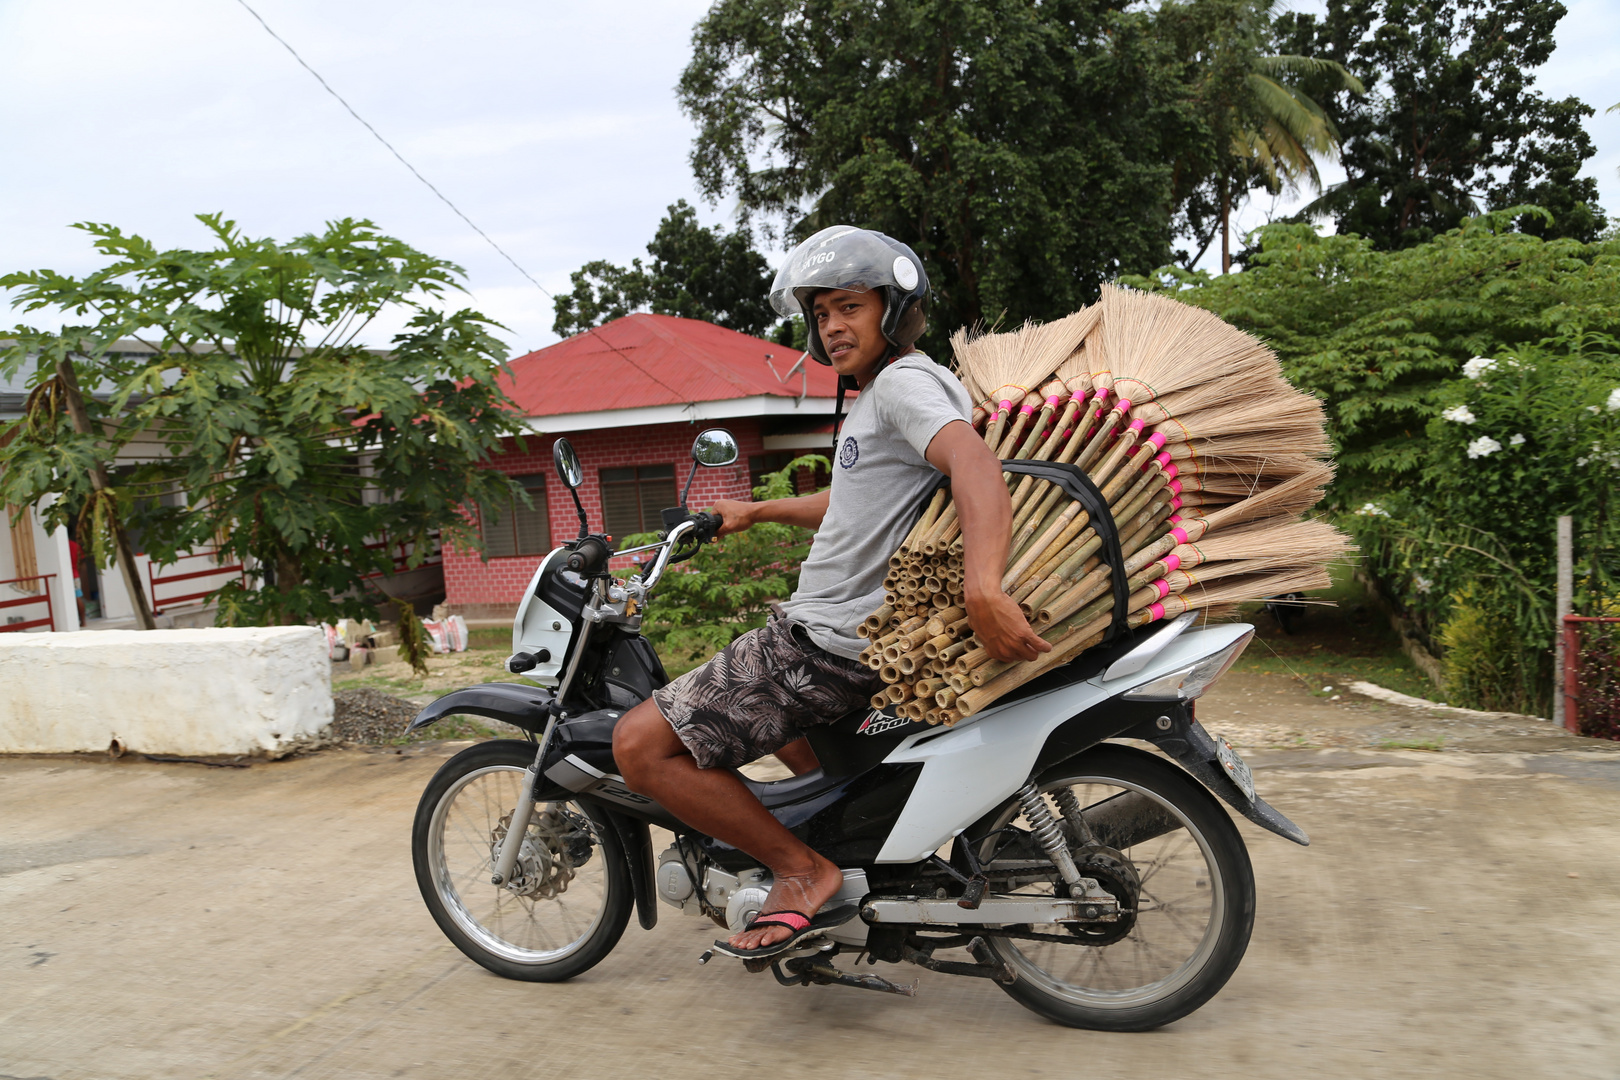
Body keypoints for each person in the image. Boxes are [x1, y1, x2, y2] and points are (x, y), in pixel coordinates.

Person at [612, 226, 1049, 958]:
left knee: (640, 745)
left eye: (849, 307)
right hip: (838, 635)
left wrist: (983, 588)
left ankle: (799, 870)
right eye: (821, 314)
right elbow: (857, 502)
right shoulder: (884, 395)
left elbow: (973, 463)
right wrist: (757, 511)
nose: (832, 327)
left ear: (895, 309)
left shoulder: (904, 384)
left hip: (829, 643)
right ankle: (839, 850)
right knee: (763, 720)